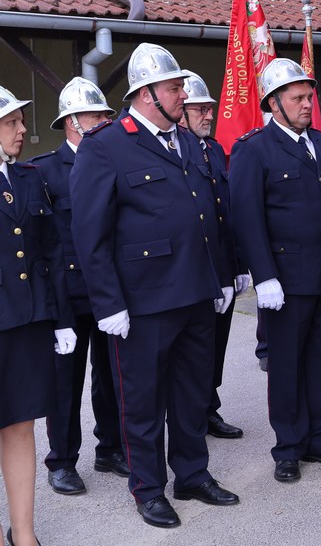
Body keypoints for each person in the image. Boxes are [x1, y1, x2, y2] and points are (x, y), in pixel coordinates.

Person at [72, 43, 238, 528]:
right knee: (143, 401)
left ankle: (192, 474)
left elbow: (206, 216)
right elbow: (90, 233)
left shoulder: (185, 141)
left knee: (192, 393)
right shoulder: (106, 146)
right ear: (146, 94)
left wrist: (220, 277)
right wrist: (108, 303)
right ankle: (148, 488)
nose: (183, 95)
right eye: (174, 88)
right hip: (142, 301)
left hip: (195, 292)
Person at [230, 58, 321, 482]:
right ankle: (288, 447)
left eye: (309, 96)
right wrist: (263, 275)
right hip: (286, 281)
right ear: (274, 103)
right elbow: (247, 218)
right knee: (287, 365)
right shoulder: (254, 149)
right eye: (298, 98)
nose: (308, 104)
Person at [34, 78, 125, 497]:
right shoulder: (44, 171)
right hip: (67, 296)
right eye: (97, 116)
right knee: (65, 384)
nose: (106, 121)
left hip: (106, 291)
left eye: (107, 115)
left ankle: (111, 449)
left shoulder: (111, 161)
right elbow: (43, 244)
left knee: (112, 378)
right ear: (73, 121)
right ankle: (62, 461)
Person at [0, 84, 74, 546]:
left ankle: (24, 533)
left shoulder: (27, 178)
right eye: (11, 122)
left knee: (21, 425)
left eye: (20, 120)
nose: (22, 129)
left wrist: (61, 318)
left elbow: (50, 254)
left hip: (26, 322)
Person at [179, 72, 249, 440]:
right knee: (194, 349)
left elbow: (227, 211)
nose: (209, 115)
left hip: (222, 265)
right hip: (194, 268)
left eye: (210, 108)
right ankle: (190, 414)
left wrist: (238, 265)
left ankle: (209, 407)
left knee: (216, 343)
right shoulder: (177, 151)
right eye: (200, 110)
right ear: (181, 112)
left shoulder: (215, 149)